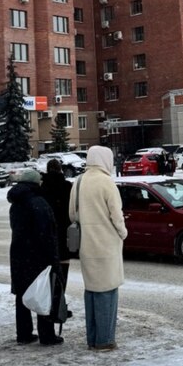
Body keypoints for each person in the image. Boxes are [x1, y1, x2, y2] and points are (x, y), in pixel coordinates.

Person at [69, 145, 127, 351]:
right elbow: (116, 215)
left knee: (92, 292)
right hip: (107, 245)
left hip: (87, 245)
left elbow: (72, 215)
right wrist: (123, 233)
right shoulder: (106, 182)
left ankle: (92, 339)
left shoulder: (79, 182)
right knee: (108, 292)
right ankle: (105, 340)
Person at [8, 168, 64, 346]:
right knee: (42, 292)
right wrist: (53, 258)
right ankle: (47, 335)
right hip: (38, 255)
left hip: (19, 253)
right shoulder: (38, 202)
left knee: (22, 294)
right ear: (35, 183)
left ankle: (24, 333)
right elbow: (47, 233)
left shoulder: (16, 203)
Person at [40, 158, 73, 291]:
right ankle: (60, 297)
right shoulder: (67, 186)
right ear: (60, 170)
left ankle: (49, 297)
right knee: (63, 268)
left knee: (48, 270)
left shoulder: (42, 188)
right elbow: (72, 209)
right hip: (64, 232)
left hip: (46, 233)